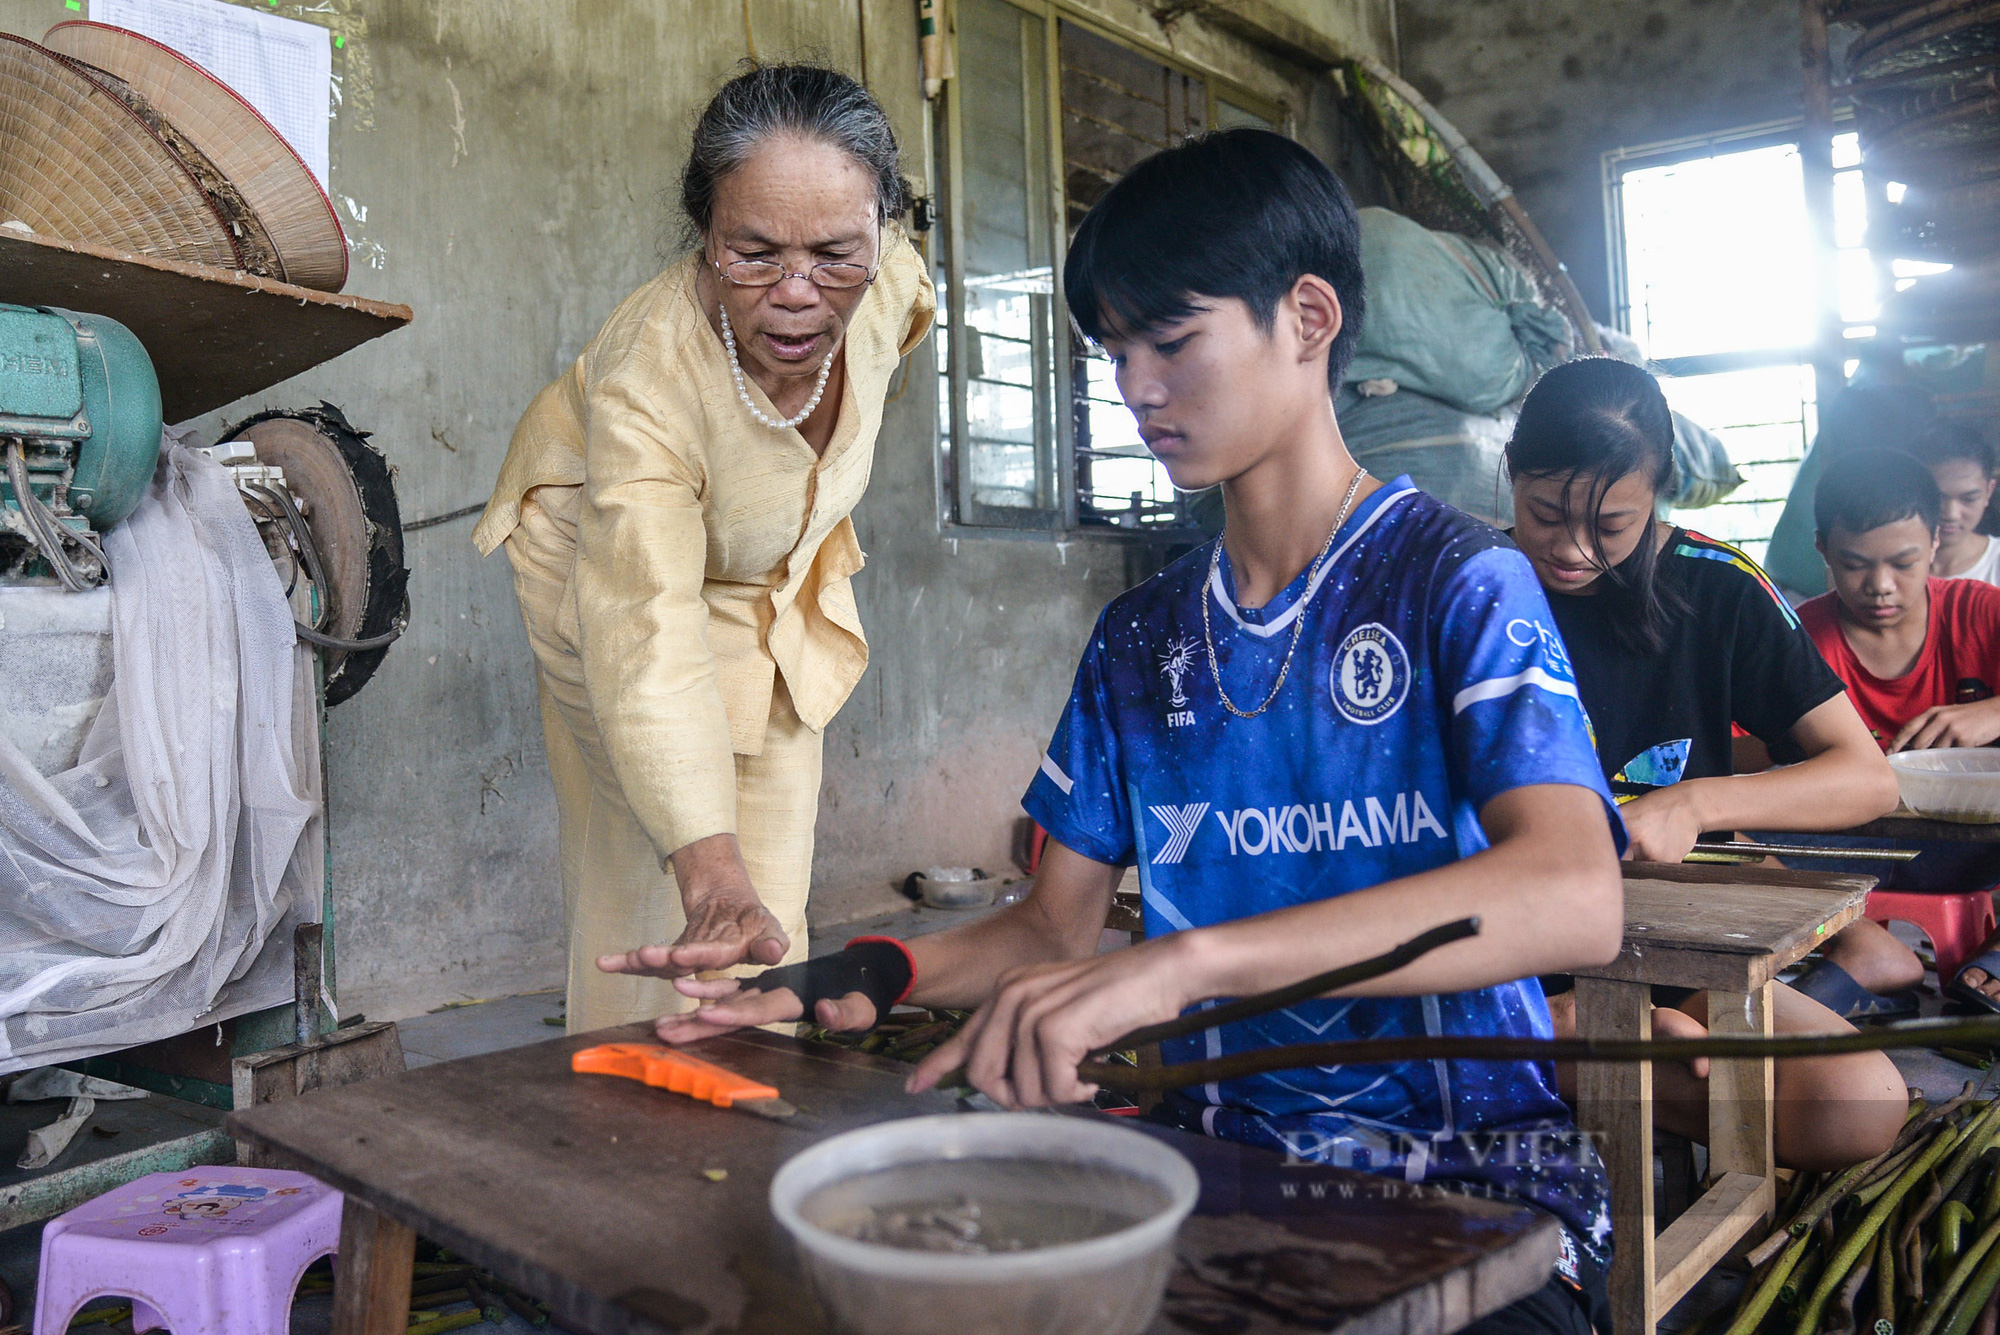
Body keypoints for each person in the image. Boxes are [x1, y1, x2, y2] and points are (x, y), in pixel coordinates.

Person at [635, 129, 1629, 1333]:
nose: (1136, 387)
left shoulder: (1456, 581)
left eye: (1172, 340)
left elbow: (1575, 897)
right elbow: (1051, 931)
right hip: (1211, 1181)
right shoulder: (1140, 640)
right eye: (1114, 350)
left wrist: (1181, 962)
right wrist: (861, 973)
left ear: (1306, 319)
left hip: (1467, 1201)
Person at [472, 64, 935, 1031]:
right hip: (601, 565)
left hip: (768, 566)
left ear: (884, 230)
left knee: (772, 872)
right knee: (669, 869)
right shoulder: (651, 374)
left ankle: (756, 1086)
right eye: (755, 253)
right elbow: (646, 633)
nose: (799, 295)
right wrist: (707, 865)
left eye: (835, 256)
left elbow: (893, 324)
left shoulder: (890, 279)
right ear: (704, 233)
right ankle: (636, 1121)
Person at [1504, 357, 1907, 1169]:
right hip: (1499, 951)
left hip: (1664, 945)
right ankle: (1562, 1033)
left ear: (1660, 490)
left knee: (1857, 1104)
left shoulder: (1718, 589)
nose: (1573, 548)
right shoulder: (1467, 584)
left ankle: (1584, 1047)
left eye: (1610, 524)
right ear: (1509, 472)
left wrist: (1693, 803)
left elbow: (1866, 776)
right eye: (1546, 512)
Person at [1801, 450, 2000, 1012]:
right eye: (1856, 564)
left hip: (1976, 847)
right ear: (1823, 550)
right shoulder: (1799, 641)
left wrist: (1994, 712)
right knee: (1712, 843)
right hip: (1844, 849)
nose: (1881, 585)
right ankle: (1864, 948)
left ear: (1936, 542)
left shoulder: (1981, 613)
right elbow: (1737, 752)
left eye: (1905, 563)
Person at [1909, 419, 2000, 585]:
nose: (1951, 514)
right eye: (1937, 498)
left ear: (1989, 491)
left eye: (1969, 499)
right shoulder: (1885, 568)